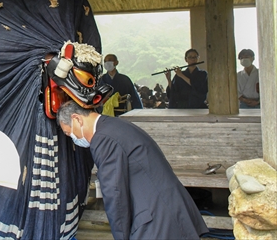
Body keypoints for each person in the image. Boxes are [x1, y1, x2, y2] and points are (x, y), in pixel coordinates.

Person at [56, 100, 208, 240]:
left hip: (158, 218)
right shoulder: (114, 125)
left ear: (77, 119)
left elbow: (114, 194)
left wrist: (121, 236)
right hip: (167, 207)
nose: (73, 138)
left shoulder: (102, 139)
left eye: (69, 133)